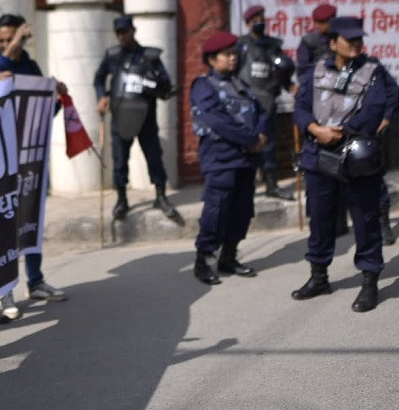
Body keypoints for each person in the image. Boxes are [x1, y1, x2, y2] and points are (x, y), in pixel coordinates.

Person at [291, 17, 394, 312]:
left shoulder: (374, 72)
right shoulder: (315, 72)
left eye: (359, 39)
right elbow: (300, 108)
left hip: (356, 158)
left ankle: (370, 281)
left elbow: (374, 111)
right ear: (333, 42)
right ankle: (319, 277)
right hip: (318, 156)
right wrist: (314, 129)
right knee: (321, 221)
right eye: (349, 40)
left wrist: (338, 133)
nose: (356, 45)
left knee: (365, 220)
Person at [0, 14, 68, 316]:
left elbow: (43, 112)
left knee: (31, 217)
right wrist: (9, 53)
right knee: (3, 227)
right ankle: (3, 292)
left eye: (12, 39)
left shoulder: (30, 67)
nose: (7, 45)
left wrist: (56, 96)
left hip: (30, 159)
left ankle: (36, 280)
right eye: (2, 40)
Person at [189, 32, 268, 284]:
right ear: (212, 59)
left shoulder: (240, 84)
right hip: (221, 157)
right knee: (217, 209)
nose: (233, 58)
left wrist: (262, 134)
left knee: (242, 210)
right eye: (227, 55)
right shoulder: (203, 86)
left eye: (235, 54)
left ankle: (229, 257)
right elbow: (217, 120)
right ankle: (204, 260)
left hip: (246, 158)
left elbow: (261, 111)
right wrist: (251, 140)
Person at [94, 14, 179, 221]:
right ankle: (121, 199)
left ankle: (160, 195)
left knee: (153, 156)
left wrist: (157, 87)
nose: (122, 37)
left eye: (125, 32)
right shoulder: (113, 56)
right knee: (120, 158)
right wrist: (102, 96)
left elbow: (165, 83)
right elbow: (98, 78)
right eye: (119, 33)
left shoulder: (150, 57)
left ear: (133, 31)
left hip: (145, 115)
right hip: (121, 115)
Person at [236, 5, 296, 200]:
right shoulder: (241, 46)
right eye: (254, 20)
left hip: (268, 100)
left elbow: (282, 70)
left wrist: (290, 86)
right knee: (245, 142)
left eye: (261, 18)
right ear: (247, 24)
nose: (258, 23)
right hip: (245, 101)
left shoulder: (273, 46)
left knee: (268, 143)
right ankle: (247, 184)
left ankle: (271, 183)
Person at [295, 3, 337, 79]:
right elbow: (303, 70)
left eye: (322, 23)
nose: (317, 26)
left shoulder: (341, 39)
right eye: (316, 22)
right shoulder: (309, 41)